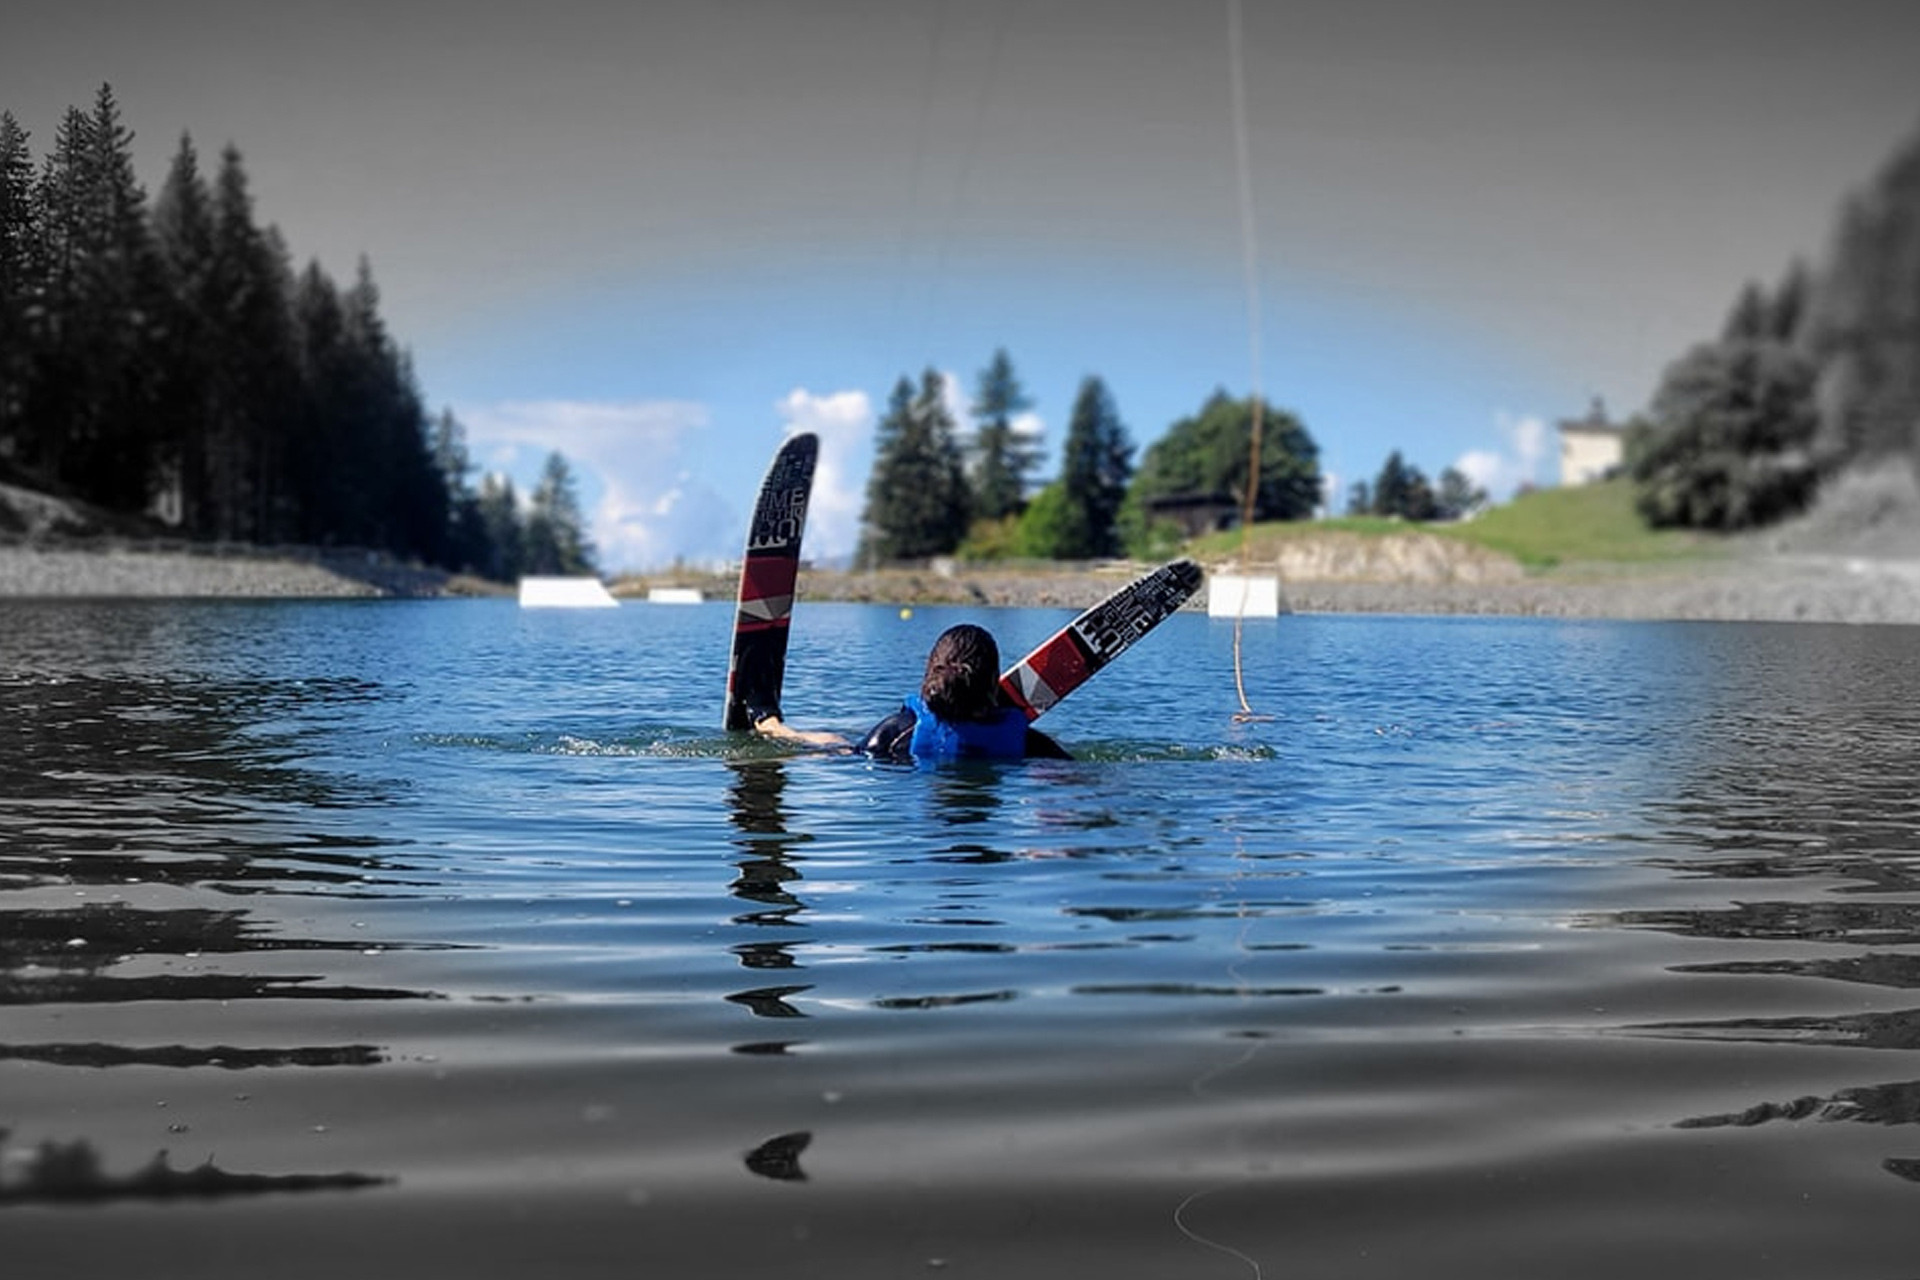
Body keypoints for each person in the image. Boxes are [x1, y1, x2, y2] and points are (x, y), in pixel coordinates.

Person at [753, 623, 1070, 761]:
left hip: (894, 764)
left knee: (841, 745)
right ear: (992, 684)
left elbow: (853, 760)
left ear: (930, 671)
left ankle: (773, 726)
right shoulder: (1027, 742)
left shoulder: (897, 731)